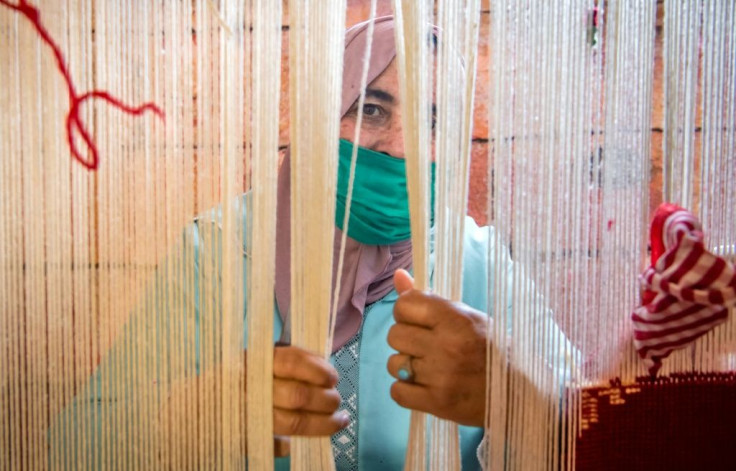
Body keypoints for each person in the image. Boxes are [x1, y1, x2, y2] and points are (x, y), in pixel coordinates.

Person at [51, 15, 572, 471]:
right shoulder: (222, 251)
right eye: (370, 110)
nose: (400, 148)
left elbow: (601, 436)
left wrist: (518, 399)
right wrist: (197, 415)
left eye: (432, 122)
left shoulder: (475, 264)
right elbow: (70, 450)